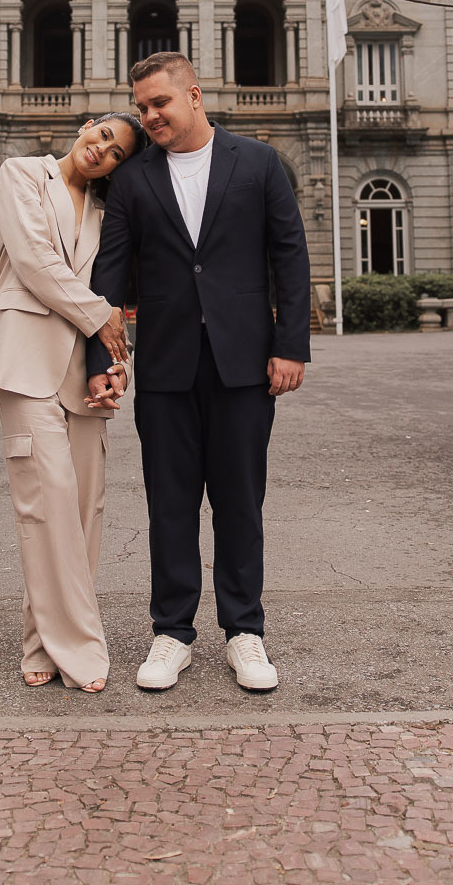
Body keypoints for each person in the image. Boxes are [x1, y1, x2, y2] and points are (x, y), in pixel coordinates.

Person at [86, 52, 310, 692]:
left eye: (160, 102)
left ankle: (246, 632)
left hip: (245, 362)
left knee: (242, 501)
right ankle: (172, 633)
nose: (150, 115)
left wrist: (290, 346)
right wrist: (105, 359)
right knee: (170, 504)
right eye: (141, 107)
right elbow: (110, 274)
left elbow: (289, 257)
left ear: (194, 95)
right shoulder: (133, 180)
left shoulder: (259, 162)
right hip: (166, 367)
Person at [0, 112, 145, 694]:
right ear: (87, 126)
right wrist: (102, 318)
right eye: (103, 136)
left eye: (118, 153)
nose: (103, 151)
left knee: (81, 513)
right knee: (42, 503)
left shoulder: (106, 212)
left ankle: (39, 640)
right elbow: (34, 262)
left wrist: (111, 366)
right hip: (24, 360)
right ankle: (79, 649)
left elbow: (113, 286)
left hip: (84, 374)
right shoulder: (21, 173)